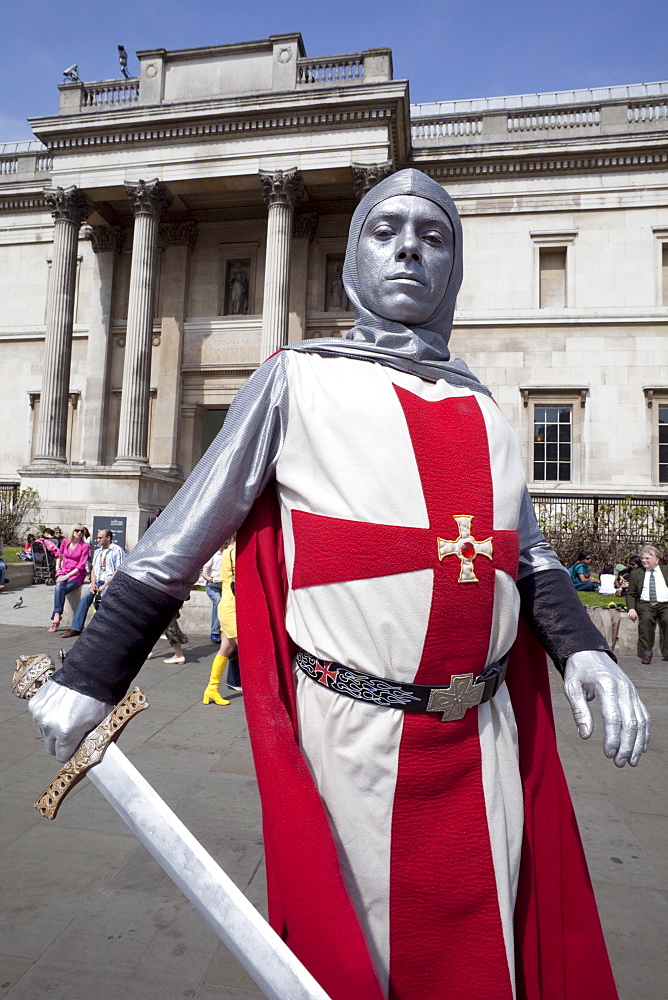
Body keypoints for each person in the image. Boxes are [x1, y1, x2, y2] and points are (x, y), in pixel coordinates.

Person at [29, 170, 649, 1000]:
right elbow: (177, 542)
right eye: (384, 230)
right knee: (359, 962)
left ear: (455, 268)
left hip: (485, 739)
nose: (408, 249)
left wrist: (586, 656)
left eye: (434, 237)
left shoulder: (487, 409)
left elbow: (524, 556)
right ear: (353, 254)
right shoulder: (296, 379)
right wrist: (91, 673)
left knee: (489, 954)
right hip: (355, 741)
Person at [60, 529, 125, 638]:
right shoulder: (98, 551)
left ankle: (101, 631)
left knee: (102, 601)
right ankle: (76, 628)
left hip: (109, 582)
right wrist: (93, 583)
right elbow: (94, 569)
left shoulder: (117, 550)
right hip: (98, 581)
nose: (97, 540)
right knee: (85, 599)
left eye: (100, 538)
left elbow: (117, 571)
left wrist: (105, 586)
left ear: (108, 538)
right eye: (97, 537)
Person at [203, 540, 237, 705]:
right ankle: (263, 694)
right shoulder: (232, 553)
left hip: (229, 606)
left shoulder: (228, 552)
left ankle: (211, 689)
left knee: (226, 649)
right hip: (232, 608)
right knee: (248, 653)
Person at [626, 543, 668, 664]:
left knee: (667, 619)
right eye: (642, 558)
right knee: (646, 620)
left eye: (647, 558)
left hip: (665, 603)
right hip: (646, 604)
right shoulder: (636, 573)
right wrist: (631, 608)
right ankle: (646, 651)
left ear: (657, 560)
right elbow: (631, 593)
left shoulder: (665, 570)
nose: (644, 561)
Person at [47, 524, 90, 632]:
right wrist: (58, 568)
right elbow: (60, 555)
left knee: (62, 590)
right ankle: (57, 614)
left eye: (82, 531)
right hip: (63, 570)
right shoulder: (65, 541)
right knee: (59, 586)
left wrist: (67, 576)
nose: (79, 533)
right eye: (77, 530)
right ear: (72, 531)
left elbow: (81, 566)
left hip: (76, 574)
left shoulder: (84, 546)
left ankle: (56, 616)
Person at [201, 546, 224, 642]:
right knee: (218, 601)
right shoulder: (214, 555)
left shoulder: (230, 553)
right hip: (212, 585)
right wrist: (208, 577)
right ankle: (215, 632)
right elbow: (204, 572)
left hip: (225, 585)